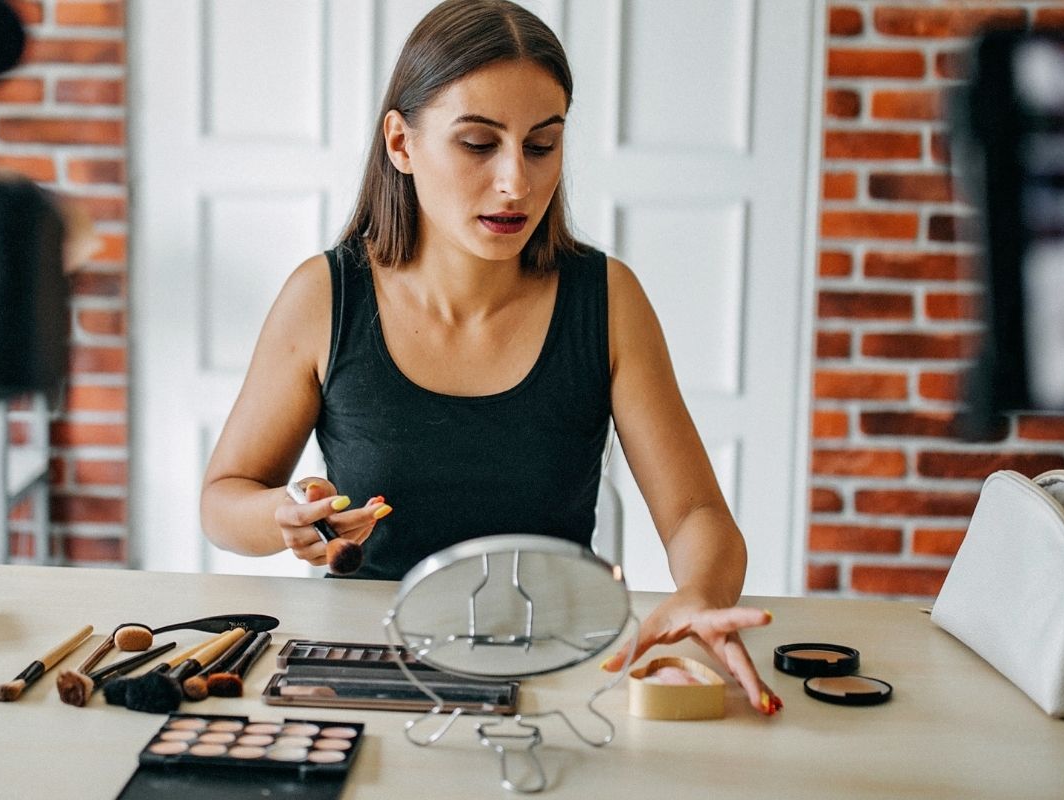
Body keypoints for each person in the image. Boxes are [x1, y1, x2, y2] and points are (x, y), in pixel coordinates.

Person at [196, 0, 779, 715]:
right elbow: (224, 497)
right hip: (369, 674)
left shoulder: (608, 300)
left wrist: (699, 597)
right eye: (478, 144)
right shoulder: (325, 296)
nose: (518, 183)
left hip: (554, 671)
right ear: (401, 144)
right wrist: (284, 515)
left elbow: (695, 515)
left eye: (542, 145)